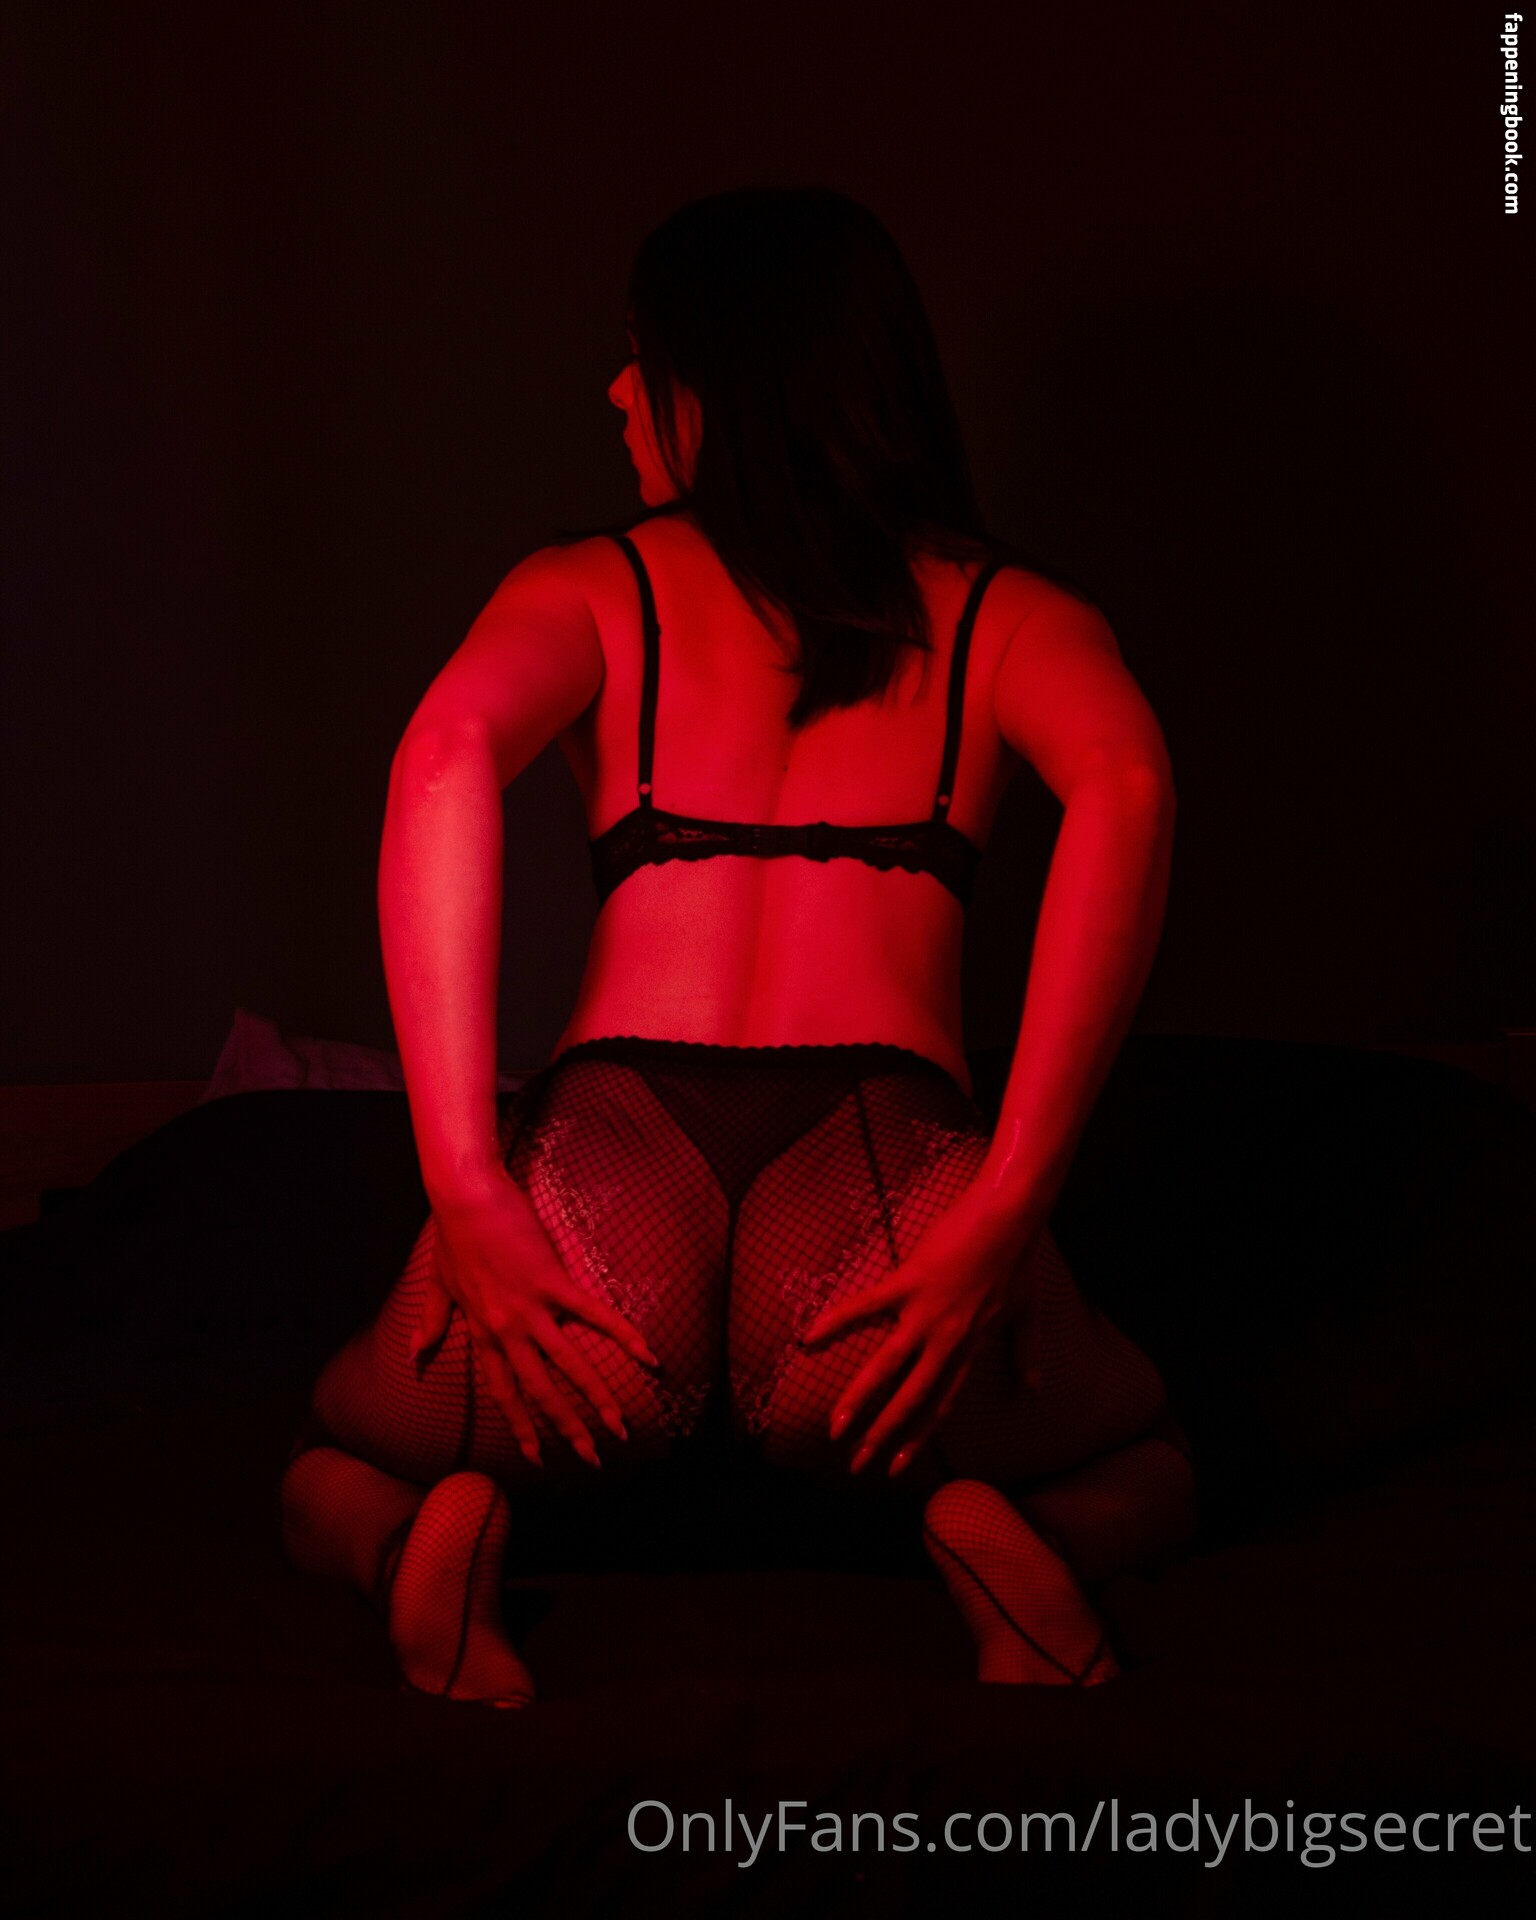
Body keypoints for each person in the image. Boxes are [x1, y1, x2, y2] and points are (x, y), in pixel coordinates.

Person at [280, 185, 1196, 1707]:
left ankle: (409, 1546)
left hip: (607, 1184)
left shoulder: (589, 586)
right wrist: (1009, 1199)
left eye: (645, 360)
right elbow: (1132, 786)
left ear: (726, 382)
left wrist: (469, 1184)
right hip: (879, 1197)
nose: (616, 392)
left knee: (326, 1459)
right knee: (1156, 1457)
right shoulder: (1011, 614)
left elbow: (440, 755)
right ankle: (1025, 1549)